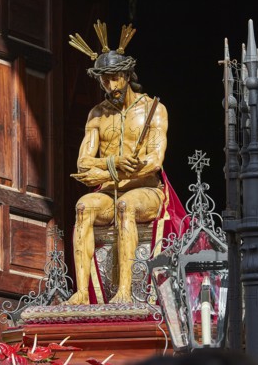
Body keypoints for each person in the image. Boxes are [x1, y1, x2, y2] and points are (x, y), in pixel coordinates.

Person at [65, 21, 169, 305]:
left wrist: (114, 168)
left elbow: (154, 161)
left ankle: (125, 291)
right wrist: (115, 164)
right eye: (104, 79)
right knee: (83, 206)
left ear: (127, 74)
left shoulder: (153, 109)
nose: (110, 85)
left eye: (115, 78)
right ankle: (82, 293)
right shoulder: (97, 115)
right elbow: (84, 164)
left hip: (146, 191)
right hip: (110, 191)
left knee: (127, 206)